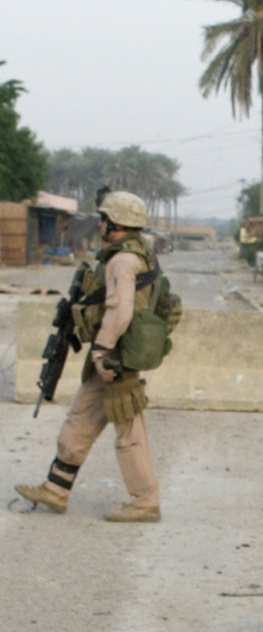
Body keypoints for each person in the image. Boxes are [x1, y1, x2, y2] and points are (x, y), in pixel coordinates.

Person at [16, 190, 162, 522]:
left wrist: (102, 349)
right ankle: (56, 489)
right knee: (81, 418)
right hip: (113, 353)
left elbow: (120, 310)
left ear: (118, 223)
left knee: (128, 427)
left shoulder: (124, 261)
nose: (100, 224)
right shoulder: (132, 254)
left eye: (105, 219)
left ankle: (145, 501)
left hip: (117, 356)